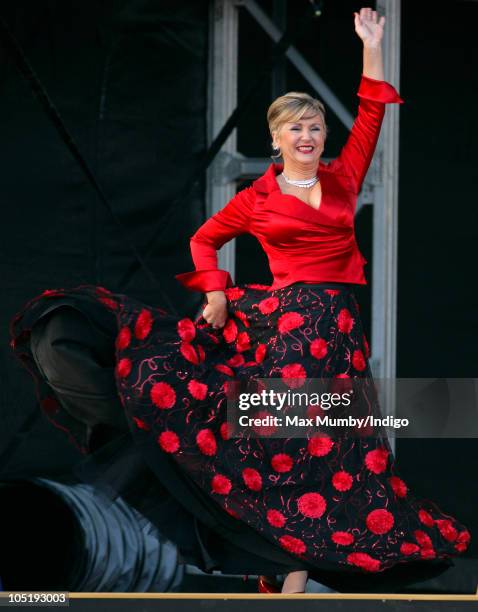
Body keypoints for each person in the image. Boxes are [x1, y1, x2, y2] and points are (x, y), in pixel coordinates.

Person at [10, 8, 470, 595]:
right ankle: (278, 571)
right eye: (295, 128)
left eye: (315, 127)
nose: (307, 137)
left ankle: (289, 576)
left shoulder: (343, 179)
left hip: (336, 337)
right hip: (283, 332)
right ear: (275, 137)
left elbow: (374, 110)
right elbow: (204, 241)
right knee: (278, 441)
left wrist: (371, 48)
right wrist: (218, 294)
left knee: (330, 454)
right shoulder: (257, 197)